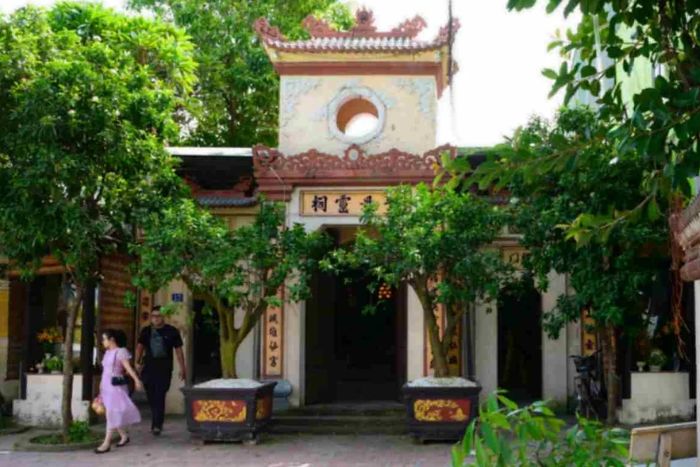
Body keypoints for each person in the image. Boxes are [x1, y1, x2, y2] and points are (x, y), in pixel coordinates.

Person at [135, 306, 186, 435]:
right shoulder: (146, 331)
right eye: (153, 316)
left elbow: (179, 351)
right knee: (151, 396)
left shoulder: (172, 331)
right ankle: (156, 420)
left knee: (160, 395)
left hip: (164, 368)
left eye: (158, 316)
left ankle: (157, 424)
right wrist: (137, 362)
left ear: (163, 317)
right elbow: (140, 347)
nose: (156, 318)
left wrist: (182, 368)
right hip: (148, 368)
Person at [95, 329, 143, 454]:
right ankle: (124, 436)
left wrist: (137, 380)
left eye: (104, 339)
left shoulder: (120, 352)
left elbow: (128, 368)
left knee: (111, 413)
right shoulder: (107, 353)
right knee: (111, 413)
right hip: (106, 386)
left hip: (115, 387)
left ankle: (106, 443)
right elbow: (105, 371)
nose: (103, 341)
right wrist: (100, 386)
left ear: (112, 339)